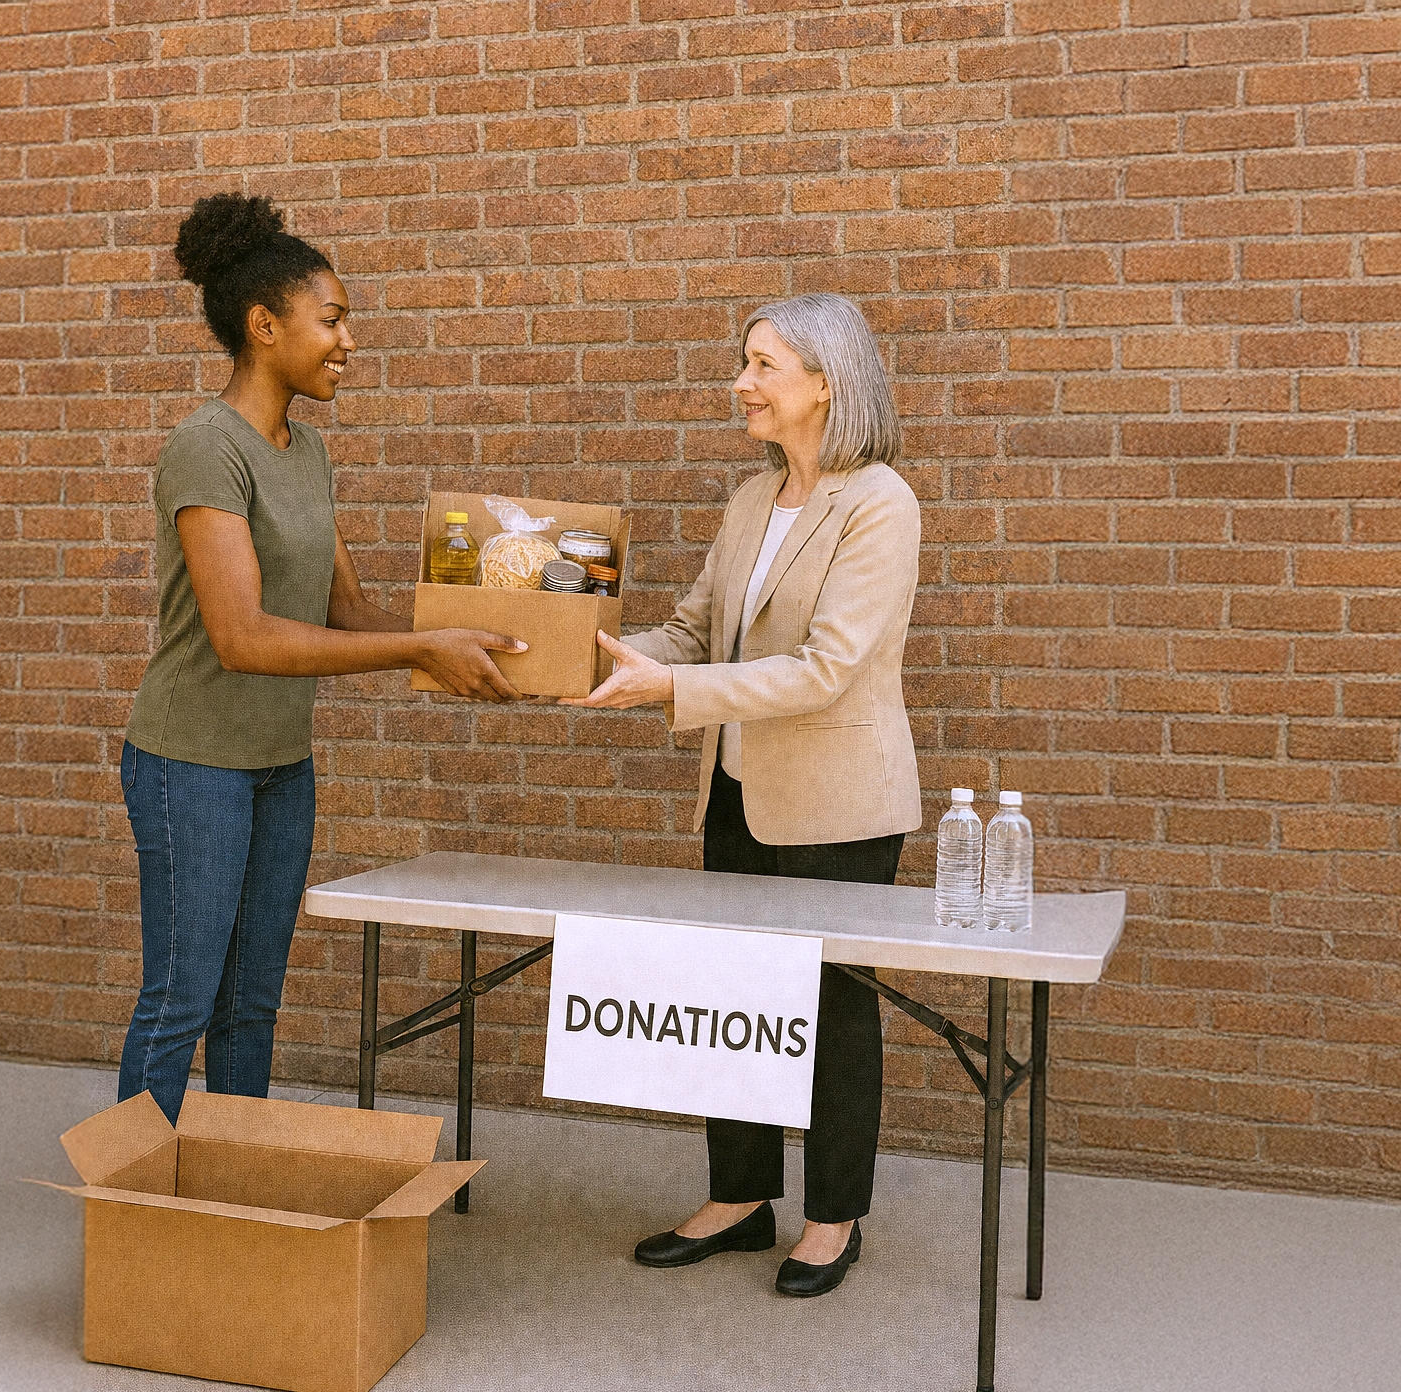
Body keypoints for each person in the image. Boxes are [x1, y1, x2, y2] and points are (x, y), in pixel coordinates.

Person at [118, 193, 527, 1121]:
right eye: (332, 320)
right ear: (264, 326)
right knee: (182, 1001)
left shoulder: (308, 453)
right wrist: (421, 645)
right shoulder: (204, 448)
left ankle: (236, 1187)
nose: (348, 342)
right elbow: (245, 636)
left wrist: (501, 631)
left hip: (277, 767)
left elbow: (345, 613)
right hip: (192, 765)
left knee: (252, 1003)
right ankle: (138, 1209)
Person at [562, 292, 921, 1297]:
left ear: (824, 383)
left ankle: (832, 1216)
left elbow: (825, 667)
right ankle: (739, 1196)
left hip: (839, 809)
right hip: (735, 792)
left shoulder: (881, 503)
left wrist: (669, 689)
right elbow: (691, 633)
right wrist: (582, 654)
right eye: (744, 363)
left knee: (832, 1017)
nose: (741, 383)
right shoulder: (748, 502)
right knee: (733, 1001)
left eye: (762, 365)